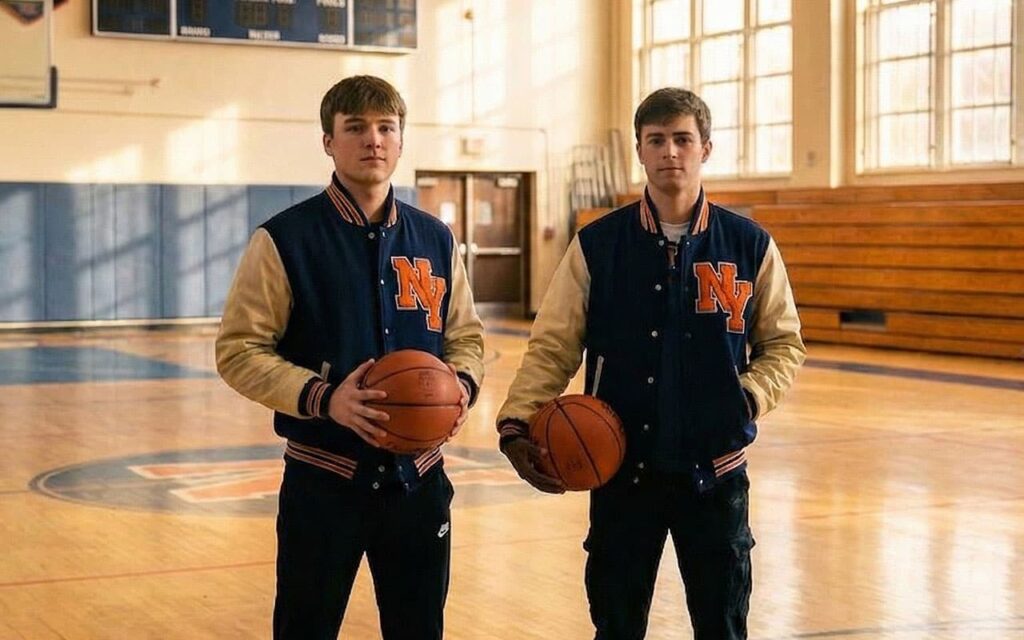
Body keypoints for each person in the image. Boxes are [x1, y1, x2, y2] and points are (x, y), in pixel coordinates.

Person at [496, 87, 806, 639]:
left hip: (715, 477)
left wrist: (748, 397)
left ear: (705, 148)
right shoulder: (597, 245)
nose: (670, 152)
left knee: (723, 626)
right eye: (656, 140)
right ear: (639, 151)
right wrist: (517, 421)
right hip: (621, 473)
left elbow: (783, 345)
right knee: (616, 627)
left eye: (682, 139)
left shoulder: (750, 244)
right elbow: (553, 345)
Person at [216, 75, 484, 640]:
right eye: (356, 128)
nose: (374, 140)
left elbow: (467, 338)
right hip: (324, 483)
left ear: (402, 141)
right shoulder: (284, 239)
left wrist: (461, 386)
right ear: (328, 142)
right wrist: (324, 398)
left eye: (387, 128)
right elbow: (238, 350)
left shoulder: (435, 238)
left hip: (420, 482)